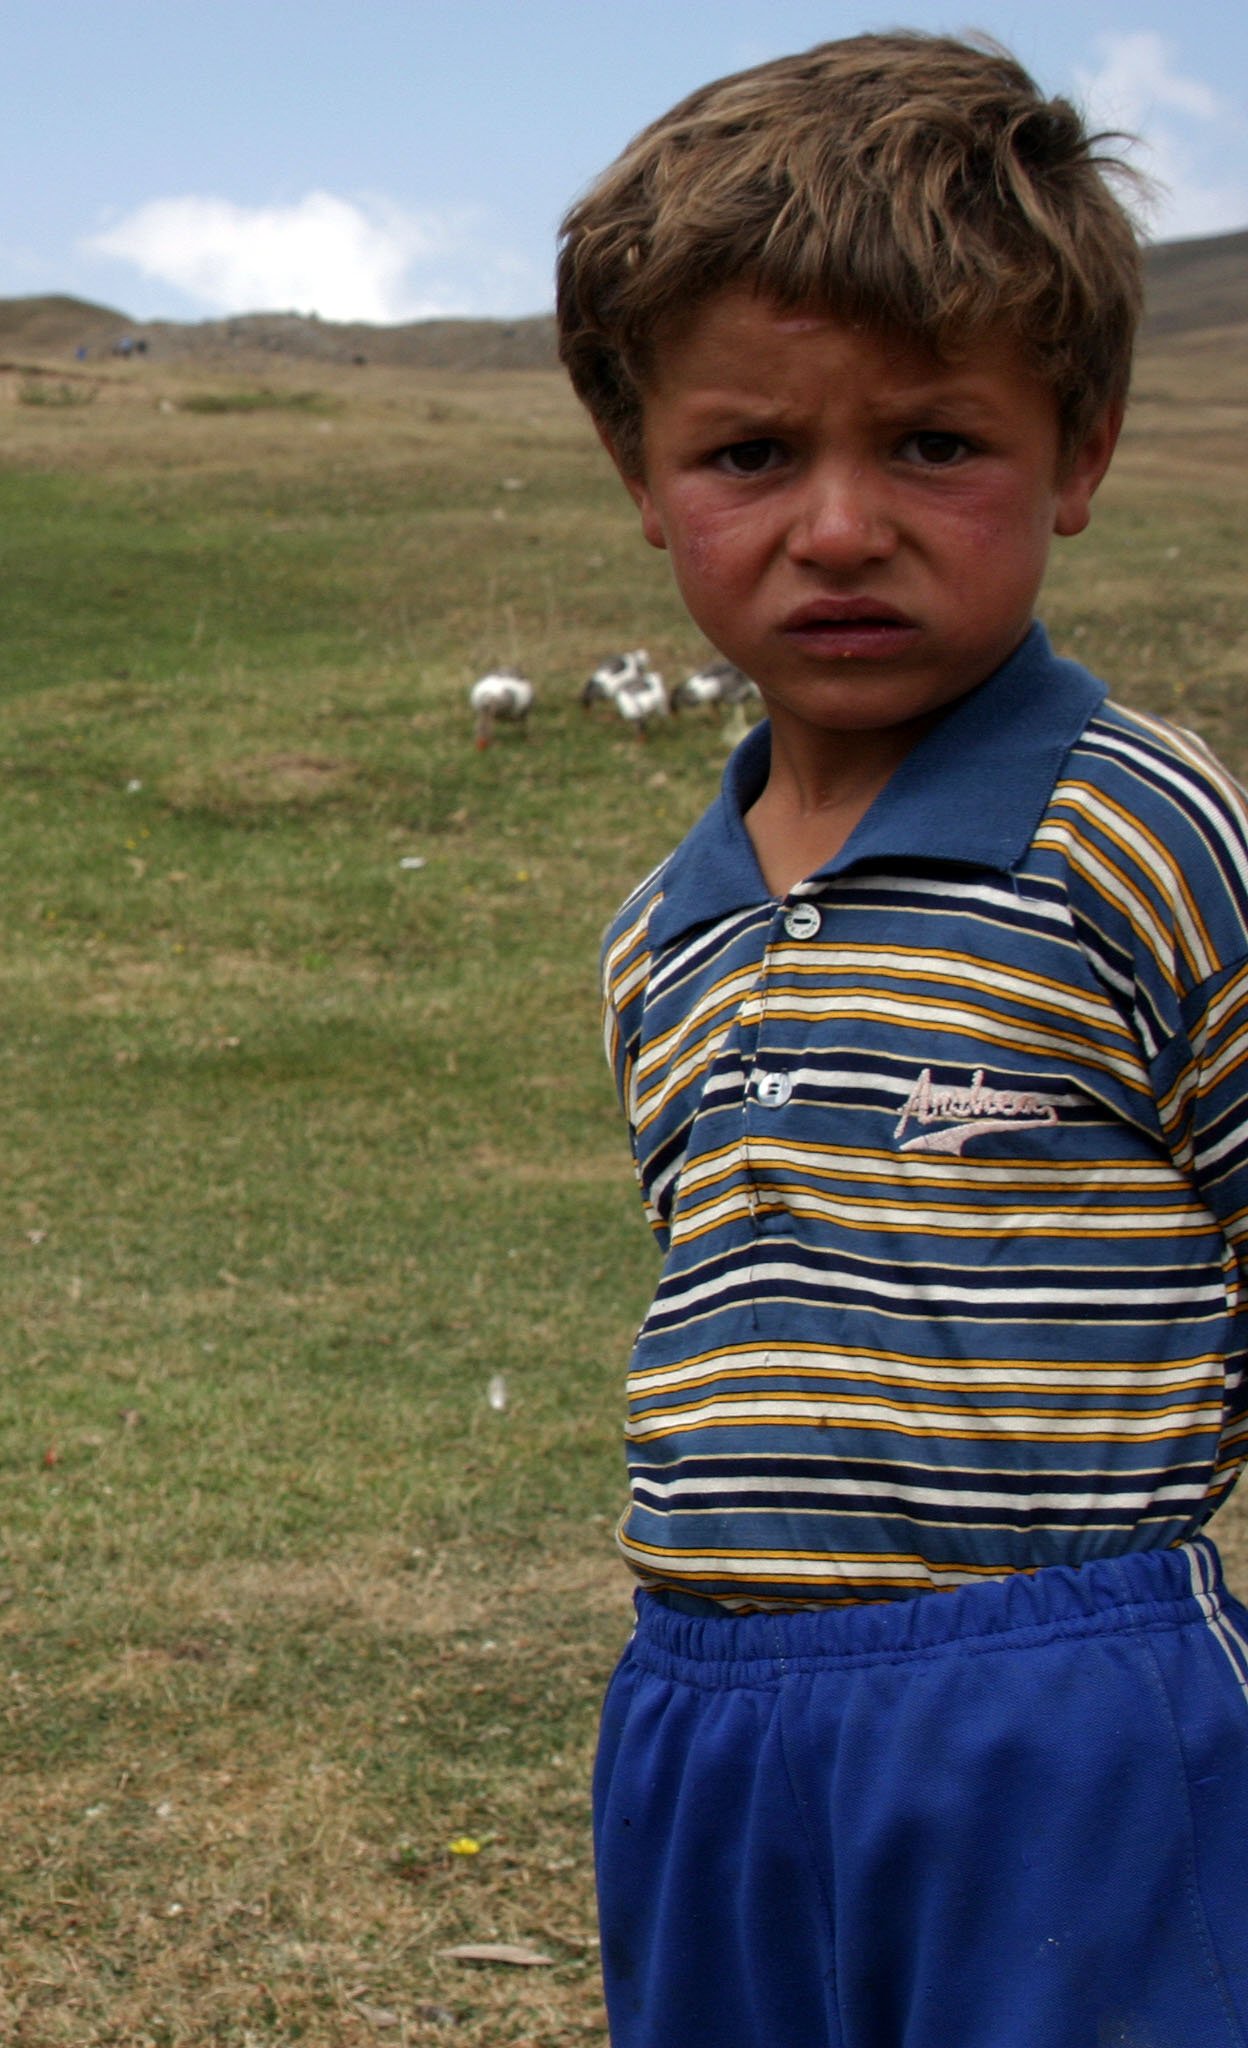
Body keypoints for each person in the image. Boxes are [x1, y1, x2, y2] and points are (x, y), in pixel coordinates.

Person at [567, 34, 1247, 2041]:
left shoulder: (1137, 832)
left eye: (936, 445)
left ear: (1082, 451)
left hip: (1065, 1722)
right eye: (751, 454)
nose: (842, 524)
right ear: (642, 476)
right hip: (706, 1718)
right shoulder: (661, 936)